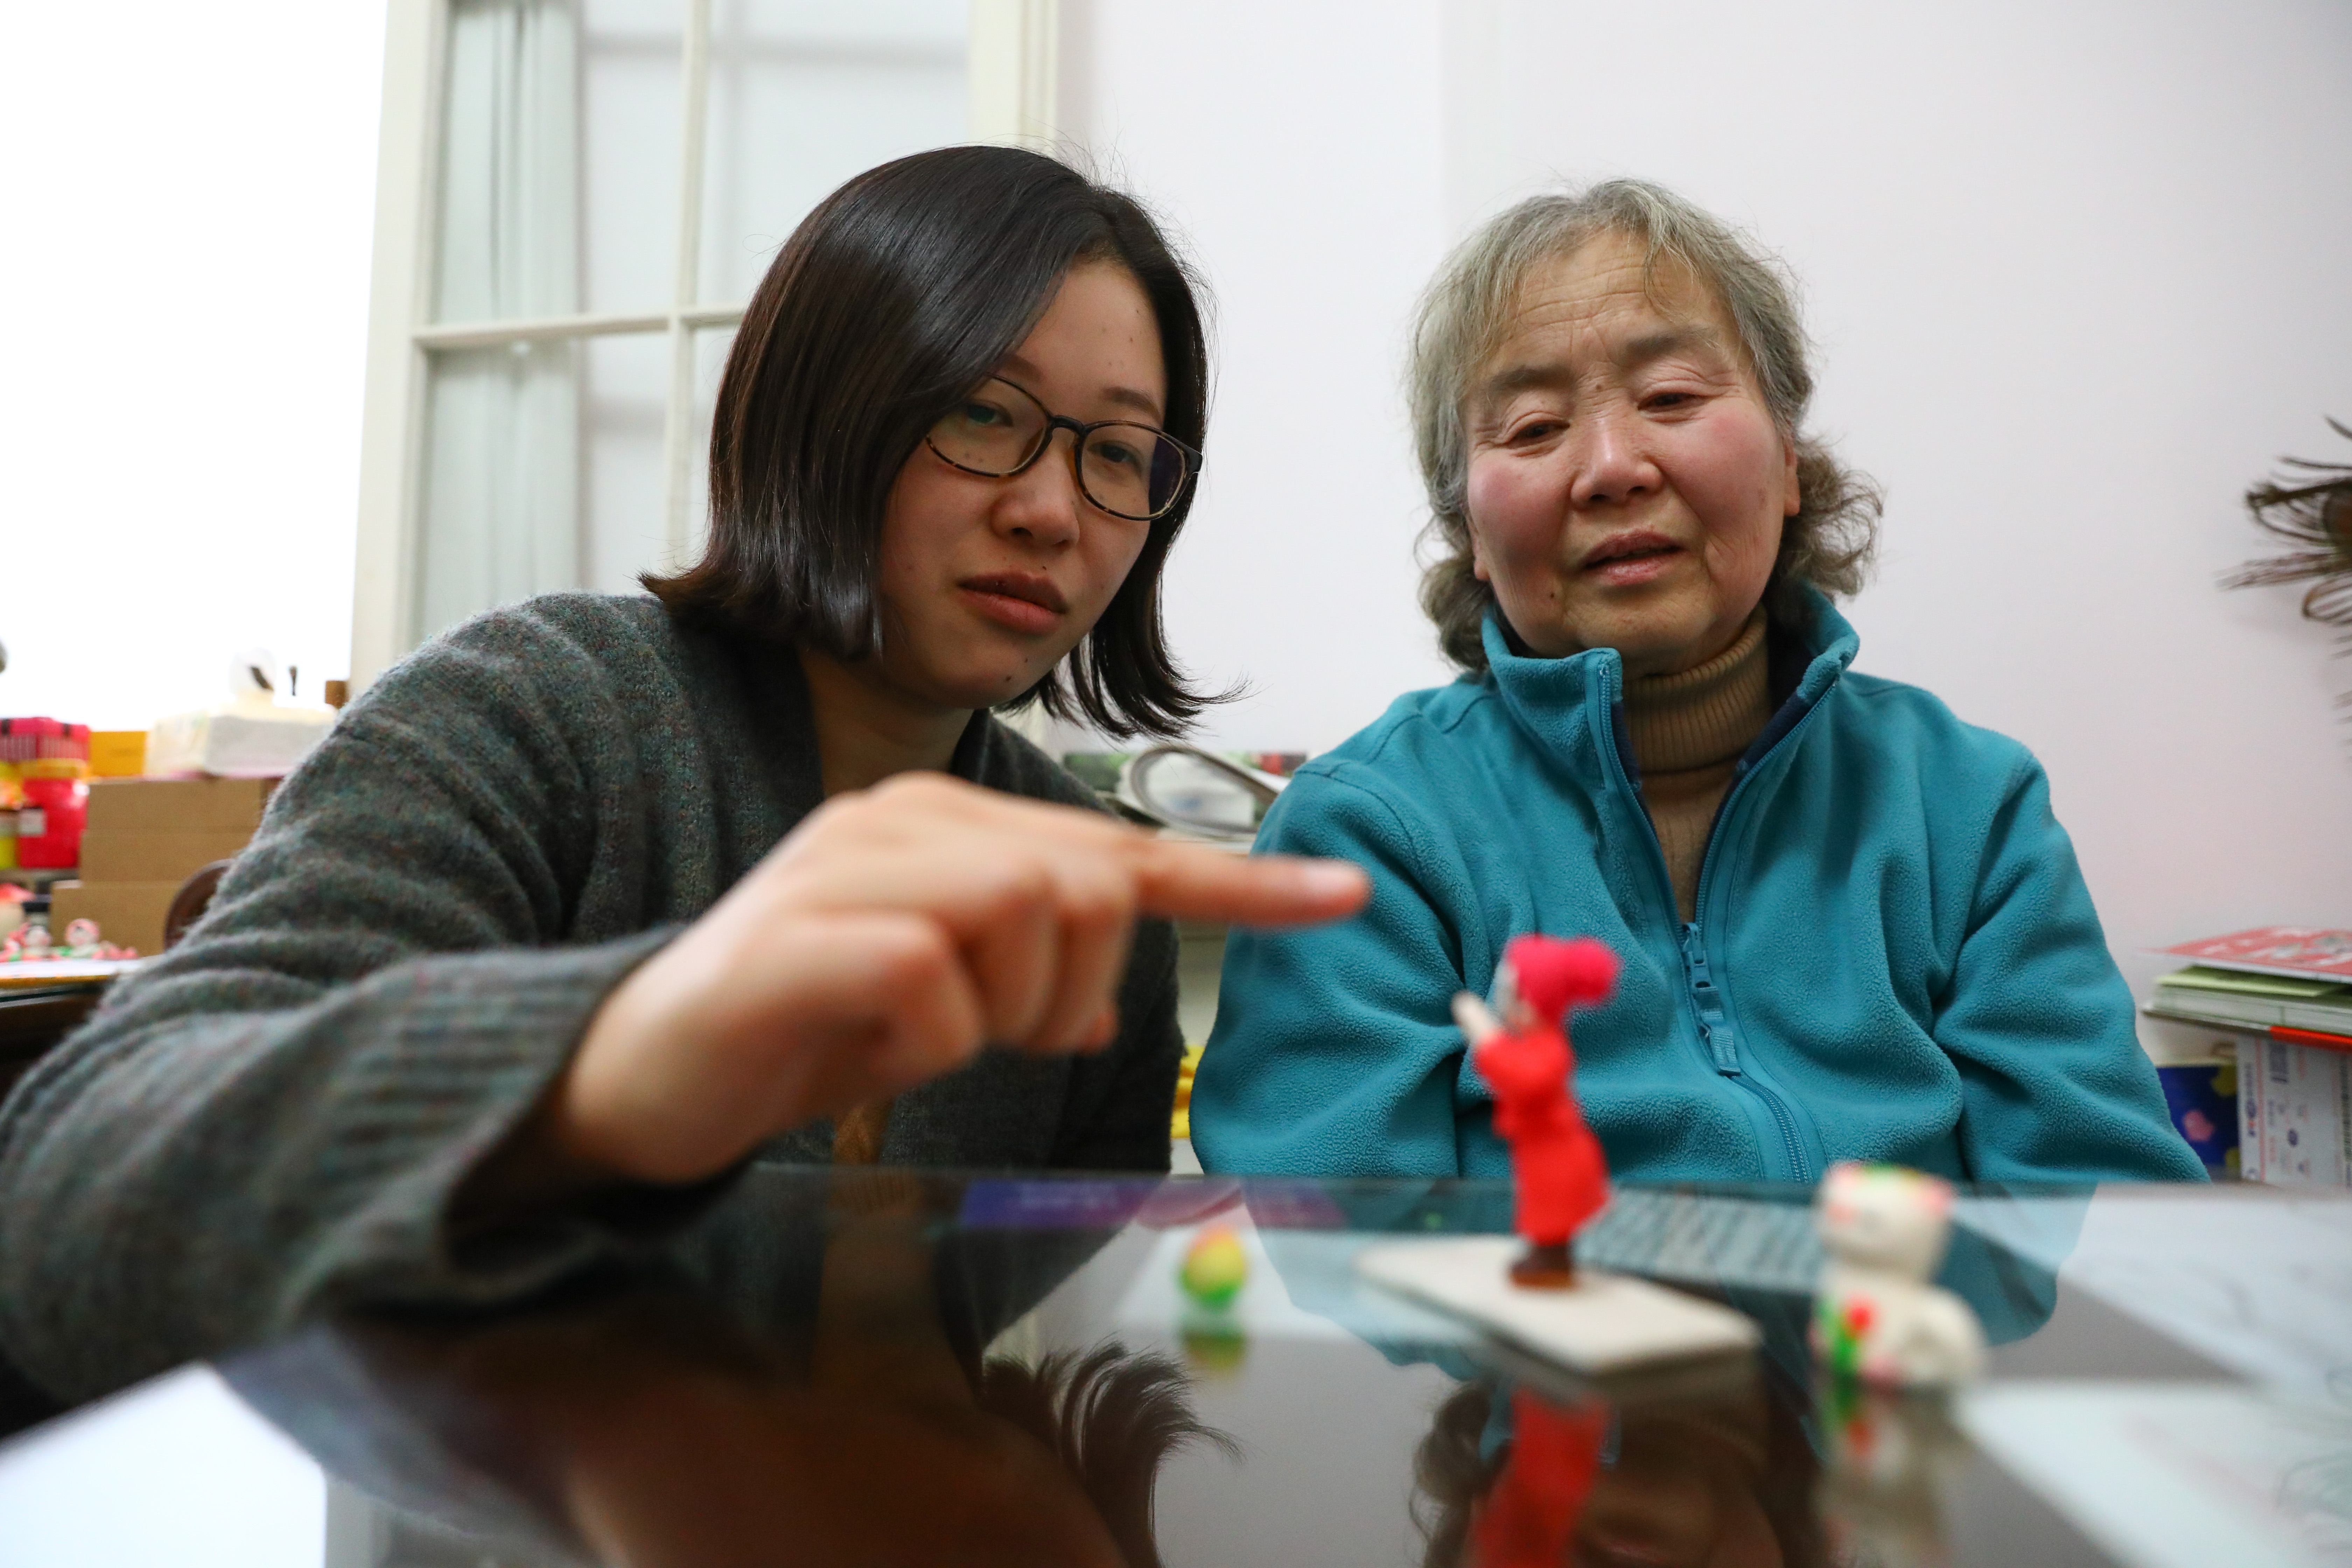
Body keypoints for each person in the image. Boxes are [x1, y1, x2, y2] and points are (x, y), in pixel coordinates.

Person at [0, 145, 1367, 1404]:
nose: (1053, 507)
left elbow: (1042, 1378)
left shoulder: (1087, 901)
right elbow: (60, 1209)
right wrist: (604, 1064)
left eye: (1120, 452)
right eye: (981, 411)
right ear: (823, 411)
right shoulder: (532, 712)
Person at [1193, 178, 2201, 1187]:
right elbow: (1339, 1275)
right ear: (1471, 537)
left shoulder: (1965, 806)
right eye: (1536, 427)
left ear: (1793, 463)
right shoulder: (1365, 837)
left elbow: (2115, 1235)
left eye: (1671, 398)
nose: (1612, 466)